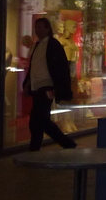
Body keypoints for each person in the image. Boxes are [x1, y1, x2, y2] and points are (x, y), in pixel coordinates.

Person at [25, 17, 78, 151]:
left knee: (39, 118)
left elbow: (61, 67)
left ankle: (36, 147)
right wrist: (28, 83)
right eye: (36, 27)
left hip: (46, 86)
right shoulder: (38, 45)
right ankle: (64, 143)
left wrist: (62, 87)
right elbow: (34, 67)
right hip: (37, 86)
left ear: (47, 29)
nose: (37, 30)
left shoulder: (53, 45)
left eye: (40, 27)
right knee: (40, 120)